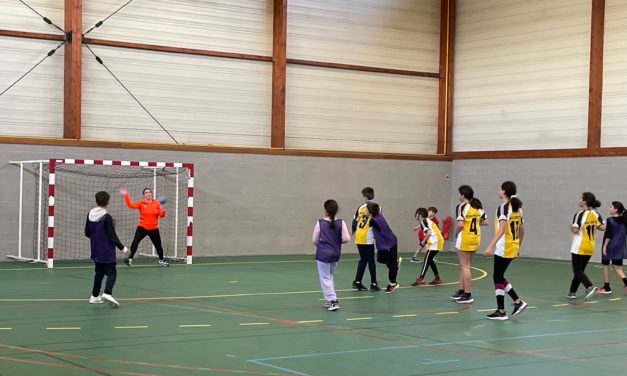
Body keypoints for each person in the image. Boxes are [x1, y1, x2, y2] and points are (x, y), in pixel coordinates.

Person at [482, 181, 527, 320]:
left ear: (504, 192)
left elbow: (502, 229)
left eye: (500, 188)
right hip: (512, 245)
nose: (498, 190)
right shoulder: (518, 208)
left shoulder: (503, 207)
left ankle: (501, 311)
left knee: (497, 276)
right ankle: (517, 301)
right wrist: (518, 245)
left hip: (504, 246)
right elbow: (521, 229)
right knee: (499, 275)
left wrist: (490, 245)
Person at [85, 191, 129, 308]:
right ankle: (107, 293)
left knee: (99, 272)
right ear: (107, 202)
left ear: (96, 201)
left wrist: (96, 238)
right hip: (107, 251)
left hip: (95, 249)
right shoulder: (107, 217)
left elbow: (87, 232)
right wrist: (124, 249)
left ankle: (94, 296)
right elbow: (112, 236)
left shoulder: (90, 214)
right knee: (112, 272)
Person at [452, 185, 488, 304]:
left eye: (459, 194)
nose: (458, 196)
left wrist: (456, 233)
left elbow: (460, 225)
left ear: (463, 195)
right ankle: (462, 290)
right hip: (475, 238)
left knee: (465, 267)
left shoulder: (461, 207)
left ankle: (467, 294)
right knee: (464, 266)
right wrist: (475, 221)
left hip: (465, 238)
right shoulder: (477, 207)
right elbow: (486, 221)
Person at [313, 199, 351, 311]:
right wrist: (336, 242)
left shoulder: (320, 223)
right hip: (335, 254)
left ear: (326, 210)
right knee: (329, 277)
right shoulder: (341, 222)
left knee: (325, 278)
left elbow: (314, 240)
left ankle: (333, 301)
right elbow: (346, 238)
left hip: (323, 254)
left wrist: (321, 245)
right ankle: (330, 300)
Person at [568, 192, 605, 300]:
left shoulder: (580, 214)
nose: (579, 200)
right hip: (590, 246)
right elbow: (602, 227)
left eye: (581, 198)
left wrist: (570, 224)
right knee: (580, 271)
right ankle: (572, 292)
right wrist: (593, 226)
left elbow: (575, 230)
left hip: (579, 246)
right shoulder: (595, 214)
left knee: (577, 271)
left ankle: (589, 286)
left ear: (584, 201)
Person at [120, 187, 169, 267]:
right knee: (135, 243)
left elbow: (161, 215)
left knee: (158, 246)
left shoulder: (157, 203)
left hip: (154, 229)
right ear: (144, 195)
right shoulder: (141, 203)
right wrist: (126, 195)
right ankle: (129, 260)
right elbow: (130, 205)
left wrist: (162, 211)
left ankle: (161, 260)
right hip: (142, 227)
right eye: (146, 192)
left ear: (151, 194)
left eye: (149, 192)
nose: (148, 194)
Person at [367, 202, 401, 293]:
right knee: (380, 259)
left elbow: (369, 223)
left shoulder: (375, 220)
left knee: (392, 267)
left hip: (389, 244)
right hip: (383, 245)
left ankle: (393, 284)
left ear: (370, 212)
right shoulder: (379, 215)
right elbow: (379, 208)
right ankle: (395, 264)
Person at [351, 187, 380, 291]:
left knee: (363, 259)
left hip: (359, 236)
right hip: (368, 237)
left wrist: (353, 231)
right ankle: (373, 283)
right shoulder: (377, 207)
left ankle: (357, 282)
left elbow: (354, 221)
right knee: (371, 260)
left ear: (364, 196)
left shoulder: (360, 207)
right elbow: (378, 222)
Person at [598, 201, 627, 294]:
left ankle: (607, 287)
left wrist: (604, 247)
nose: (609, 208)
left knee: (605, 264)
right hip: (620, 245)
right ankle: (626, 283)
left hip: (610, 245)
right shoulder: (624, 220)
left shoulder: (610, 220)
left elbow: (608, 235)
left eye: (611, 207)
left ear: (616, 209)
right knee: (617, 267)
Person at [411, 207, 444, 286]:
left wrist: (423, 241)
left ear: (419, 215)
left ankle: (421, 278)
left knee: (427, 259)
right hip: (436, 241)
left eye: (417, 213)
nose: (415, 215)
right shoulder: (425, 221)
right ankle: (437, 278)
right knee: (430, 260)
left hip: (436, 242)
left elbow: (428, 233)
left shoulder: (424, 221)